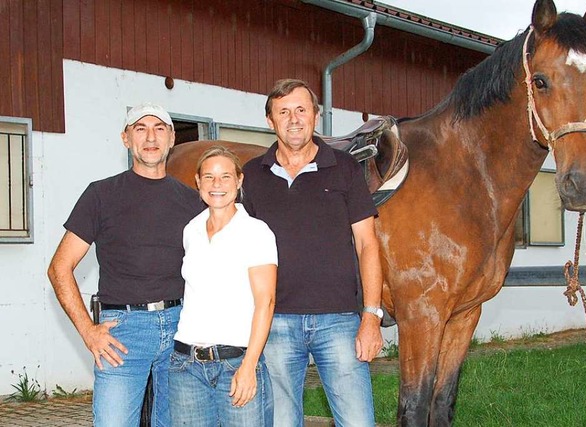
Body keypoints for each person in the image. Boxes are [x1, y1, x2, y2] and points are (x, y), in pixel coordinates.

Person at [47, 102, 203, 426]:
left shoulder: (192, 201)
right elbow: (59, 266)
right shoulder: (101, 194)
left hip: (180, 326)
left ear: (172, 138)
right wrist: (89, 332)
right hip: (123, 333)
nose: (150, 137)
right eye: (140, 129)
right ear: (125, 138)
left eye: (159, 128)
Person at [242, 78, 384, 427]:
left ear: (315, 117)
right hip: (274, 322)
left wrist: (371, 317)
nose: (294, 119)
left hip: (338, 321)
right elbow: (239, 251)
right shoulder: (251, 176)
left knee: (358, 422)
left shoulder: (345, 168)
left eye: (301, 110)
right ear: (270, 120)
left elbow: (368, 244)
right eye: (284, 111)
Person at [169, 146, 278, 426]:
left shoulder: (256, 232)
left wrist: (249, 366)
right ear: (198, 182)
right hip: (186, 365)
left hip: (236, 363)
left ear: (239, 181)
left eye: (225, 177)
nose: (217, 185)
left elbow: (265, 302)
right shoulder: (190, 230)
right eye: (209, 177)